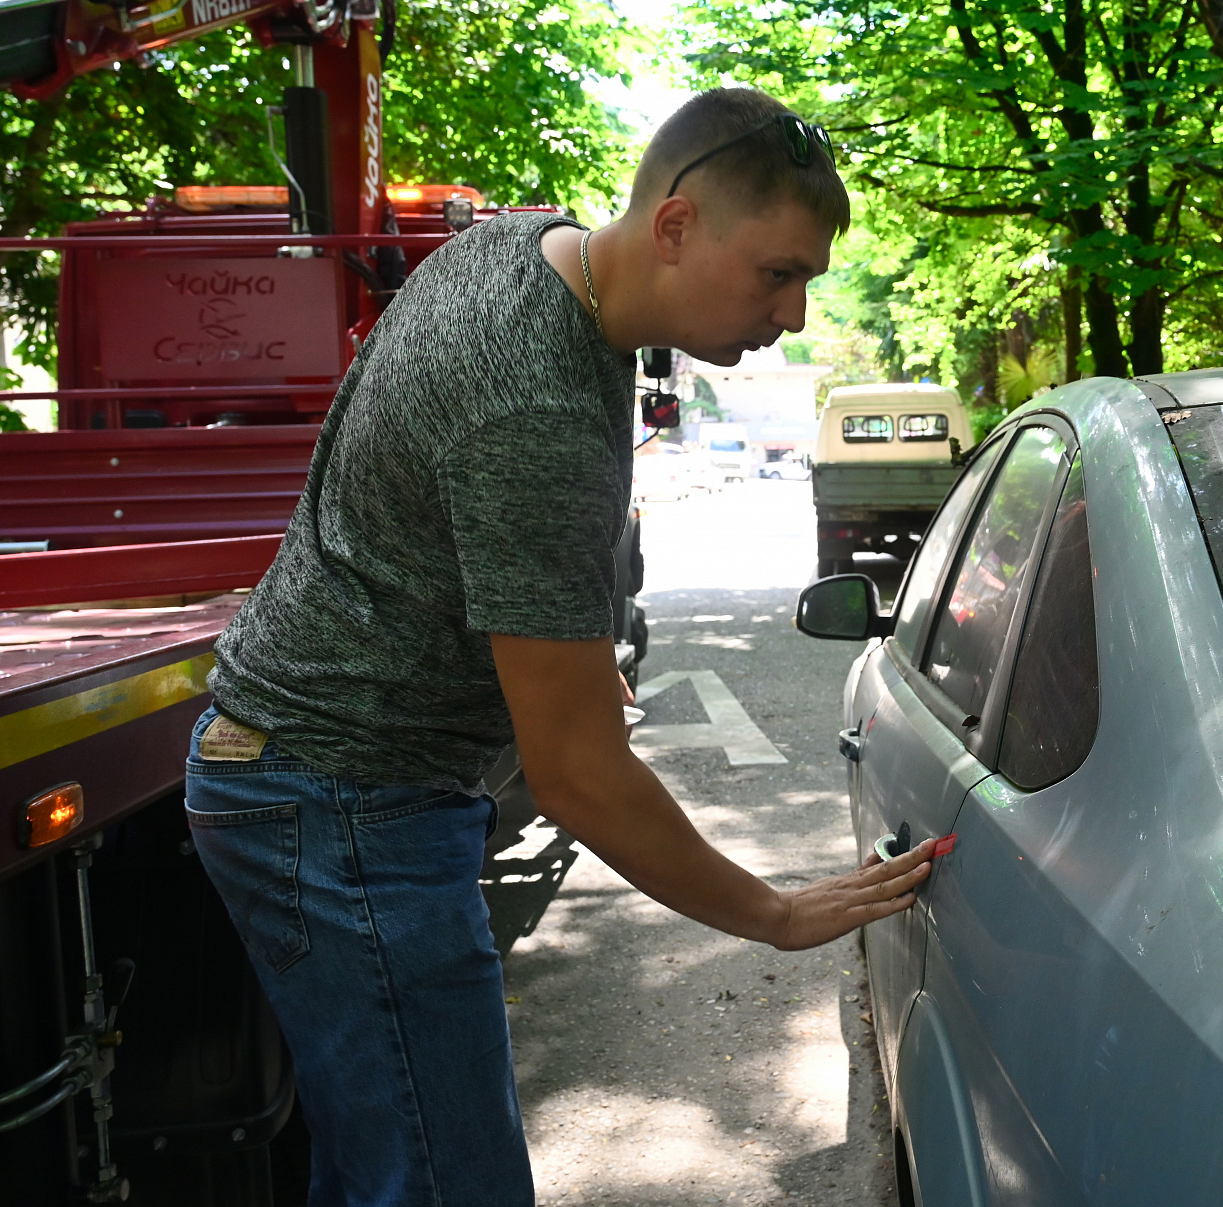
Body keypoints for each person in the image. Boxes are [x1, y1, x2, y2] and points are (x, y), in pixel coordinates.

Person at [185, 88, 935, 1207]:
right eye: (777, 272)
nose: (793, 314)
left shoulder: (518, 249)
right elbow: (575, 774)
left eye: (808, 281)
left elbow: (421, 526)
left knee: (382, 1165)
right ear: (675, 225)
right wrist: (776, 914)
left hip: (310, 779)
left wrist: (554, 662)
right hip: (341, 804)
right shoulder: (529, 397)